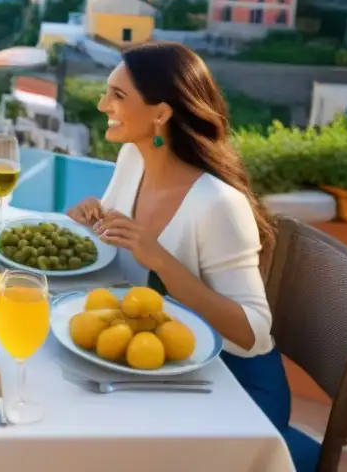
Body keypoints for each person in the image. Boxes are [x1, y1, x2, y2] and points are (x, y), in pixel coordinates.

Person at [67, 41, 318, 472]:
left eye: (118, 95)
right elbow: (119, 244)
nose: (102, 102)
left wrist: (162, 260)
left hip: (230, 385)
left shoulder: (218, 204)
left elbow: (253, 332)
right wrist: (93, 220)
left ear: (161, 113)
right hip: (159, 358)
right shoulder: (133, 157)